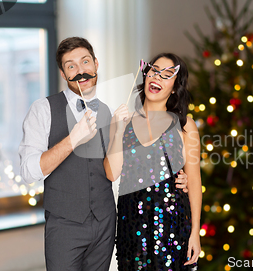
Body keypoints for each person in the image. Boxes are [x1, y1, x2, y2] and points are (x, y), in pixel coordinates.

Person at [19, 38, 189, 271]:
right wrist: (72, 140)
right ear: (63, 73)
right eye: (71, 66)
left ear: (96, 64)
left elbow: (125, 167)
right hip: (65, 227)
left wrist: (178, 177)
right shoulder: (43, 110)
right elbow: (28, 172)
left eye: (85, 62)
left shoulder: (109, 112)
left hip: (106, 225)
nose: (81, 71)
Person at [105, 53, 202, 270]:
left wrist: (195, 232)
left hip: (173, 226)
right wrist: (118, 131)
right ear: (145, 74)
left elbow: (194, 181)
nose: (156, 77)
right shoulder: (123, 121)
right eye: (154, 70)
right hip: (131, 226)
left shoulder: (186, 126)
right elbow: (112, 173)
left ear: (175, 87)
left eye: (166, 75)